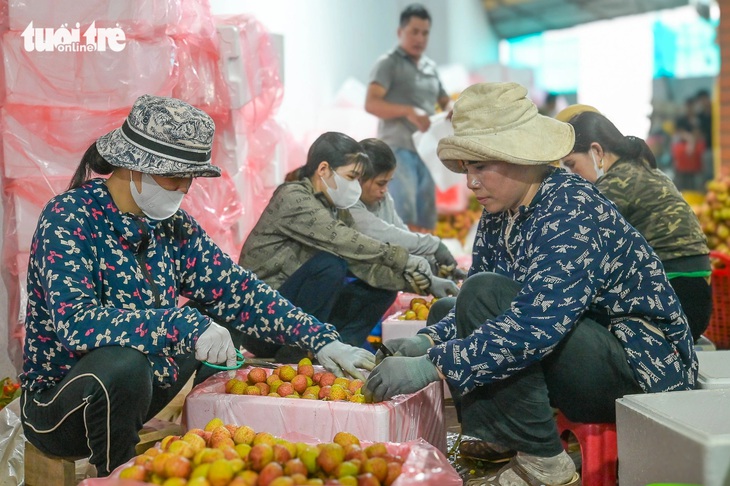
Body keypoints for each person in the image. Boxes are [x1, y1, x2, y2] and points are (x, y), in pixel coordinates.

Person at [19, 95, 375, 476]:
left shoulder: (172, 227)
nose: (185, 187)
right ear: (134, 166)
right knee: (127, 362)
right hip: (62, 405)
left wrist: (320, 338)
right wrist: (184, 324)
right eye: (176, 175)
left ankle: (198, 446)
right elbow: (78, 323)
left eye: (190, 176)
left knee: (217, 321)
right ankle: (118, 476)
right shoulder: (69, 218)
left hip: (144, 391)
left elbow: (238, 291)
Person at [363, 82, 697, 486]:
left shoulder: (569, 207)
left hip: (639, 366)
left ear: (519, 157)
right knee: (449, 308)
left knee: (485, 296)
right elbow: (480, 305)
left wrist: (433, 365)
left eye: (481, 166)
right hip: (584, 344)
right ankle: (498, 435)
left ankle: (545, 464)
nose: (471, 182)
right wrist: (429, 340)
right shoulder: (499, 215)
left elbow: (536, 324)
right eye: (467, 168)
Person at [238, 131, 458, 358]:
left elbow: (361, 263)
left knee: (380, 286)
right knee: (330, 265)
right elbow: (347, 241)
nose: (355, 186)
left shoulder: (336, 208)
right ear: (323, 169)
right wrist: (406, 259)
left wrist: (423, 284)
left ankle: (343, 351)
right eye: (351, 177)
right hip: (259, 323)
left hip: (291, 318)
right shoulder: (293, 197)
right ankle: (296, 354)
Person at [557, 107, 711, 342]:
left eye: (572, 164)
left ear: (596, 151)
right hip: (692, 296)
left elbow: (576, 242)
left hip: (677, 298)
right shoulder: (640, 168)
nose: (572, 175)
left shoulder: (616, 183)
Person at [364, 3, 452, 232]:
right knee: (403, 214)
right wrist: (408, 111)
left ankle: (428, 263)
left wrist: (452, 108)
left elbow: (445, 100)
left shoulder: (430, 68)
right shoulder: (388, 63)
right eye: (414, 31)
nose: (420, 38)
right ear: (400, 32)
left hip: (427, 150)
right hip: (397, 149)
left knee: (426, 213)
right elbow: (371, 103)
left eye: (425, 33)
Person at [350, 138, 467, 280]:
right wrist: (434, 245)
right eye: (380, 183)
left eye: (387, 183)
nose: (384, 190)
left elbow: (401, 233)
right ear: (359, 179)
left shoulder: (384, 198)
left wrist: (432, 266)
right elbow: (384, 235)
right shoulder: (347, 205)